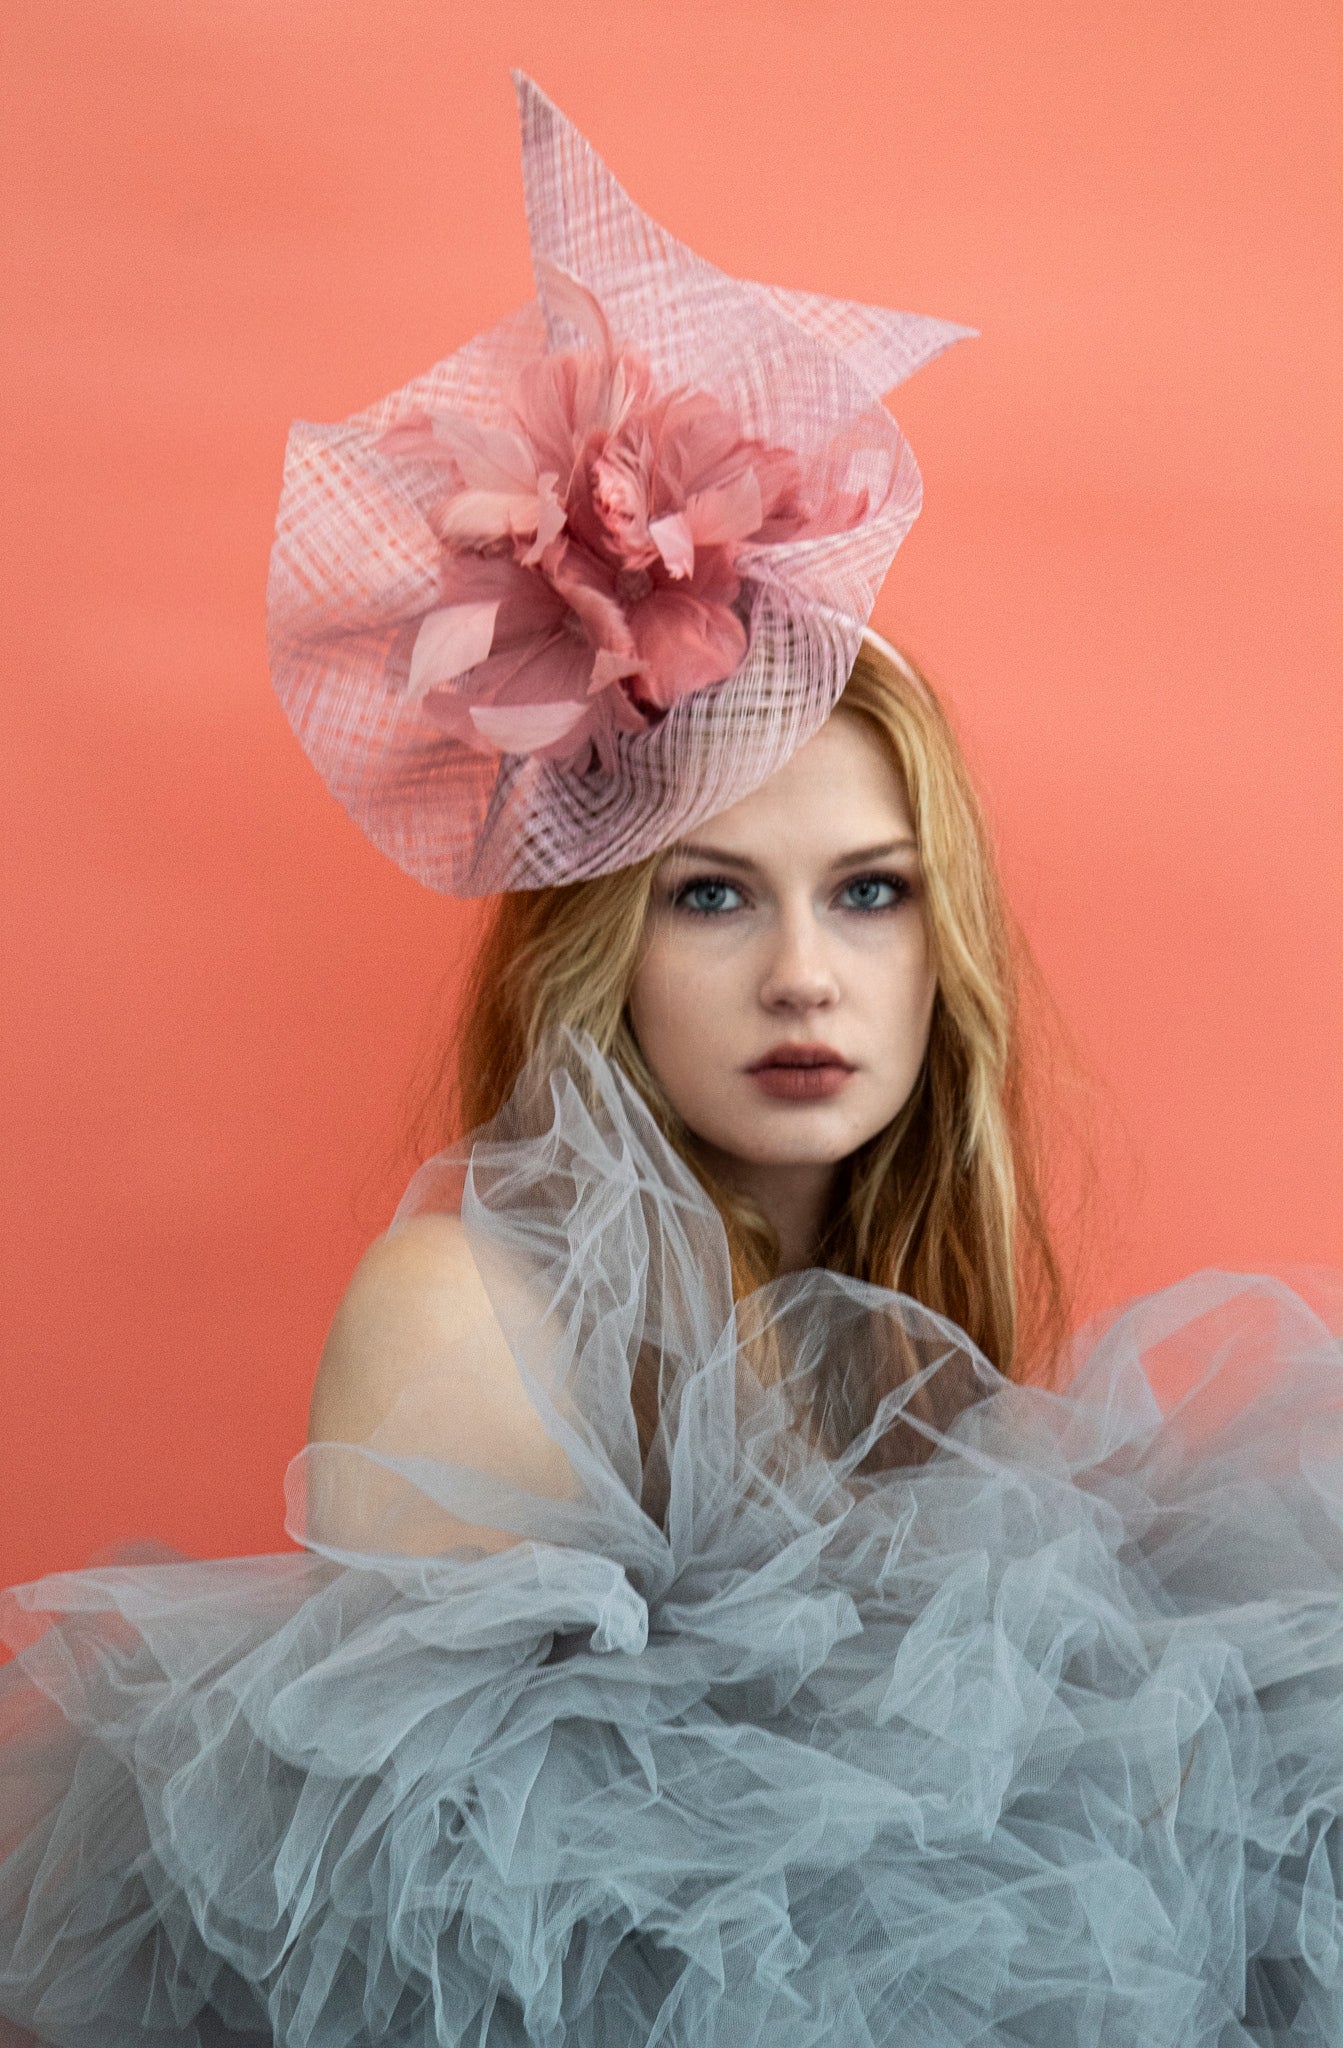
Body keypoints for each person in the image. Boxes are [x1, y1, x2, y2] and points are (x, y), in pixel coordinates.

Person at [1, 73, 1340, 2048]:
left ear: (944, 948)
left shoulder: (876, 1325)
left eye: (872, 895)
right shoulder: (471, 1313)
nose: (809, 974)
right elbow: (481, 1977)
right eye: (715, 899)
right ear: (604, 950)